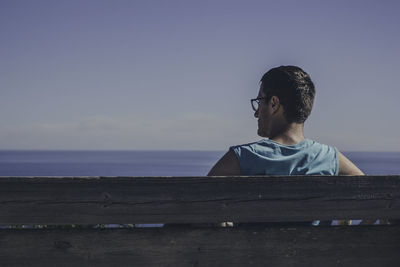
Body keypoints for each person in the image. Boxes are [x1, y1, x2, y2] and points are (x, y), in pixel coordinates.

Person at [208, 65, 364, 177]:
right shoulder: (330, 158)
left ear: (274, 104)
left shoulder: (241, 158)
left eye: (259, 102)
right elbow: (367, 190)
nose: (256, 113)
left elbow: (201, 205)